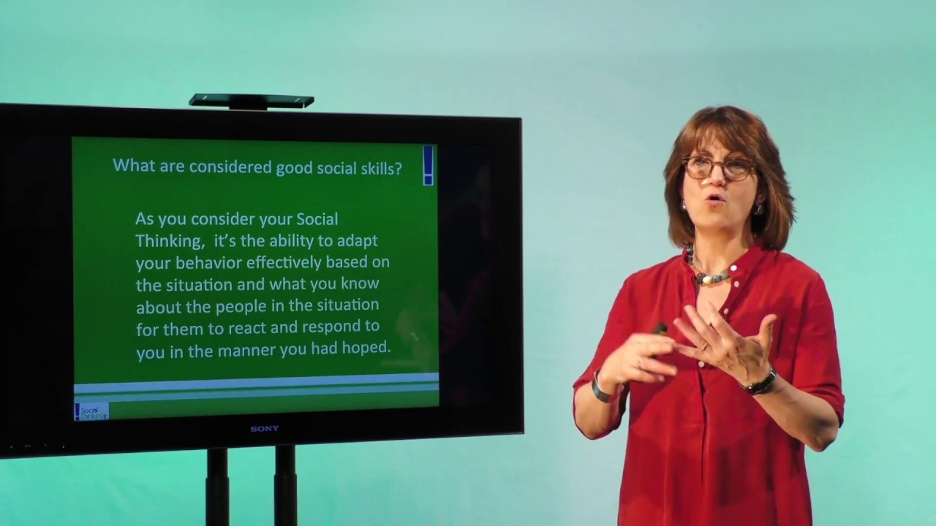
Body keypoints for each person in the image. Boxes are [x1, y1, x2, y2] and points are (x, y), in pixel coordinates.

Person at [572, 106, 845, 526]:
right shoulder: (640, 290)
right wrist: (608, 376)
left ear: (761, 194)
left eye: (736, 165)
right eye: (700, 162)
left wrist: (762, 380)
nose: (716, 177)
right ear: (680, 189)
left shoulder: (798, 287)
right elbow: (589, 422)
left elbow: (823, 430)